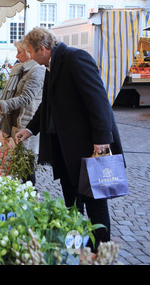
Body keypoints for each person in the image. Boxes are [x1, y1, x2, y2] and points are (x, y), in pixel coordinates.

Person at [14, 26, 124, 252]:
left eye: (31, 53)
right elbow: (48, 104)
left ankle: (101, 252)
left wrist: (102, 140)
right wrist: (30, 129)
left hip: (87, 146)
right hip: (65, 148)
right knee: (72, 201)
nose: (31, 58)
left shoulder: (75, 58)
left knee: (95, 204)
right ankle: (76, 248)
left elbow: (99, 101)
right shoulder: (51, 64)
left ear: (43, 49)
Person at [0, 39, 46, 185]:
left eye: (20, 52)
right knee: (16, 162)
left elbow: (25, 98)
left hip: (27, 123)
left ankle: (30, 196)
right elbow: (12, 96)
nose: (17, 56)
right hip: (14, 121)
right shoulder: (20, 70)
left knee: (26, 165)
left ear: (29, 53)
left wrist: (0, 105)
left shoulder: (37, 70)